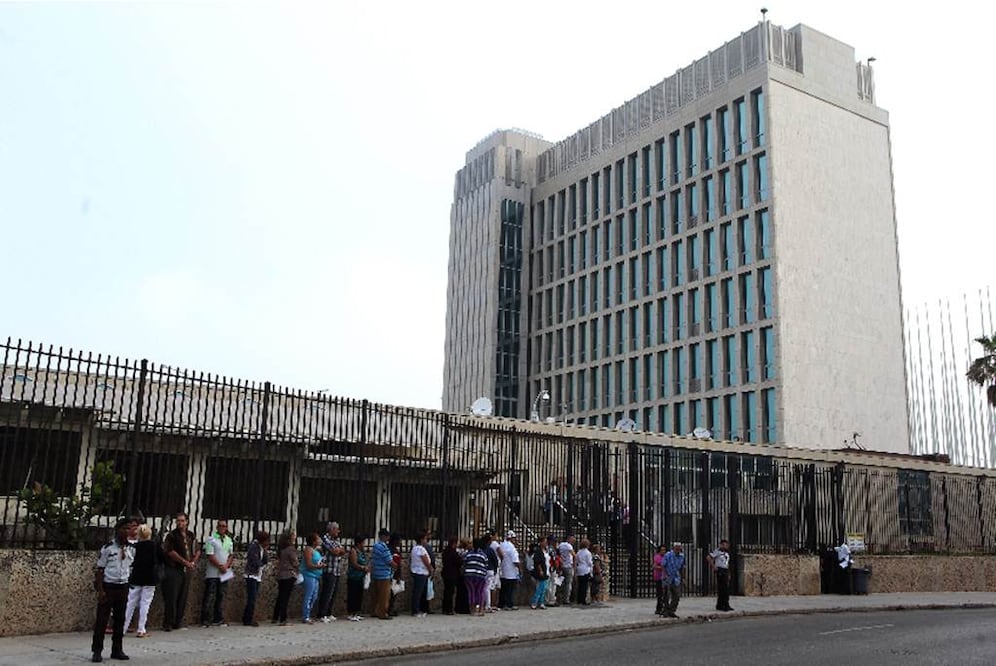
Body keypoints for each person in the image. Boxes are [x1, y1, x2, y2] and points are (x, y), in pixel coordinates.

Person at [91, 518, 134, 662]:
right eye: (125, 529)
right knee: (102, 620)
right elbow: (100, 570)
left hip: (123, 586)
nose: (127, 532)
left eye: (130, 529)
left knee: (120, 619)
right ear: (118, 530)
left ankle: (117, 649)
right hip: (109, 587)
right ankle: (97, 650)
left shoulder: (130, 548)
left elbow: (130, 566)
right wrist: (101, 590)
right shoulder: (108, 548)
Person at [161, 512, 199, 632]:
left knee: (183, 595)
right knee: (171, 596)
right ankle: (168, 622)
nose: (180, 523)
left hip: (186, 570)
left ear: (187, 522)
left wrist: (192, 562)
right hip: (174, 568)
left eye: (182, 521)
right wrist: (184, 562)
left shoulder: (190, 535)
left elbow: (197, 549)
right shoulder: (172, 535)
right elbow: (170, 551)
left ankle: (178, 620)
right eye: (178, 521)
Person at [123, 524, 159, 638]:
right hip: (150, 577)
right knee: (145, 603)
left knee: (130, 602)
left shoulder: (135, 546)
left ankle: (122, 627)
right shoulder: (154, 546)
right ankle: (141, 629)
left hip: (136, 576)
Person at [201, 519, 234, 627]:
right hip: (213, 573)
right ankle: (205, 619)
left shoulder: (229, 540)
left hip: (224, 573)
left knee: (221, 595)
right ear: (217, 527)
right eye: (220, 526)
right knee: (209, 595)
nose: (222, 528)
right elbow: (210, 555)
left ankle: (218, 618)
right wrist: (220, 566)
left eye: (224, 526)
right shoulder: (211, 539)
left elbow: (231, 555)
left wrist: (226, 566)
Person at [318, 521, 345, 623]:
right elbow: (334, 551)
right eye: (337, 529)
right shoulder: (325, 538)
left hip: (336, 569)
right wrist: (338, 550)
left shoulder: (336, 540)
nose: (338, 531)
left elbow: (342, 551)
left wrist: (338, 550)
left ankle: (329, 612)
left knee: (333, 593)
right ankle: (322, 613)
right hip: (329, 569)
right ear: (332, 529)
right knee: (327, 592)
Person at [242, 530, 270, 626]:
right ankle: (247, 619)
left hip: (258, 575)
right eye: (266, 541)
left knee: (253, 597)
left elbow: (265, 560)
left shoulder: (262, 549)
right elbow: (255, 561)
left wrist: (266, 550)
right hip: (251, 575)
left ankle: (247, 617)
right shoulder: (254, 547)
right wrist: (261, 565)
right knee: (252, 598)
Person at [272, 530, 298, 626]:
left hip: (281, 574)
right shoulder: (291, 549)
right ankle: (283, 618)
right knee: (285, 598)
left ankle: (275, 616)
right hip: (289, 574)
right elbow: (295, 562)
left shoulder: (281, 548)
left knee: (280, 596)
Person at [371, 528, 397, 620]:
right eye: (387, 536)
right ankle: (383, 613)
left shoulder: (375, 546)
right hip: (384, 574)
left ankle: (375, 611)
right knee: (384, 596)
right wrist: (395, 566)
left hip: (376, 572)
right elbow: (389, 560)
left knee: (376, 594)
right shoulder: (383, 547)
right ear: (384, 536)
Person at [462, 536, 490, 617]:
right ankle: (481, 610)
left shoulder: (468, 554)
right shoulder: (483, 555)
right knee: (480, 592)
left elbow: (464, 564)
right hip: (480, 575)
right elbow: (486, 565)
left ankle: (472, 610)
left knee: (471, 592)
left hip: (469, 575)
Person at [409, 529, 434, 618]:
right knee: (418, 592)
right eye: (425, 539)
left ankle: (416, 609)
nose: (426, 540)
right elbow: (426, 561)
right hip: (421, 572)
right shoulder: (421, 549)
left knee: (417, 591)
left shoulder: (414, 548)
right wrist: (430, 569)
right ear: (421, 539)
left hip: (416, 571)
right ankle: (416, 610)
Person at [301, 532, 324, 624]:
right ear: (313, 541)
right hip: (309, 575)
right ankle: (305, 616)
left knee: (314, 596)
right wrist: (318, 567)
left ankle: (308, 614)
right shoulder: (308, 550)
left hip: (316, 576)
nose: (319, 540)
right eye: (318, 539)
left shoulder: (316, 550)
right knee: (309, 596)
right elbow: (309, 564)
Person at [345, 534, 370, 621]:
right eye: (363, 542)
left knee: (359, 595)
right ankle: (351, 613)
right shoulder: (353, 551)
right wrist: (363, 568)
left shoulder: (361, 552)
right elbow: (354, 563)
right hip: (353, 576)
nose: (364, 544)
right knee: (353, 595)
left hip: (360, 577)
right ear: (359, 543)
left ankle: (356, 612)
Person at [707, 539, 734, 612]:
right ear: (721, 545)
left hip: (725, 570)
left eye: (727, 545)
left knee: (726, 589)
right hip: (720, 570)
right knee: (723, 589)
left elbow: (727, 564)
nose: (726, 546)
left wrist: (729, 573)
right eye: (725, 544)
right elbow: (709, 557)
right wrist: (713, 566)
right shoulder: (717, 551)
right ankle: (723, 605)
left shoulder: (727, 553)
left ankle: (723, 604)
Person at [497, 530, 521, 610]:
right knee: (510, 590)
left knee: (503, 589)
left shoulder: (501, 545)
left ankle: (501, 604)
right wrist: (520, 569)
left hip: (503, 570)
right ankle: (509, 604)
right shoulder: (512, 547)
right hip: (511, 572)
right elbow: (515, 561)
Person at [662, 543, 685, 618]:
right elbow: (663, 565)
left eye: (679, 548)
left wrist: (683, 577)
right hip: (668, 577)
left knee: (677, 596)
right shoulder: (668, 555)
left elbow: (682, 567)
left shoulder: (681, 556)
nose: (678, 550)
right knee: (666, 596)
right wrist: (665, 575)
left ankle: (671, 610)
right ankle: (665, 611)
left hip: (676, 578)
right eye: (676, 548)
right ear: (674, 548)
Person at [441, 535, 462, 615]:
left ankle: (445, 608)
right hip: (452, 574)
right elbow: (459, 561)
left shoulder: (445, 551)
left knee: (446, 591)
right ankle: (449, 609)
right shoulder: (453, 552)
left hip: (445, 573)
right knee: (450, 592)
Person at [529, 535, 550, 610]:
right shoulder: (538, 551)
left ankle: (541, 602)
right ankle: (534, 602)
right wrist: (540, 570)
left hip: (546, 570)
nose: (546, 543)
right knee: (540, 588)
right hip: (541, 571)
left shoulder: (545, 550)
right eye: (544, 542)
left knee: (544, 588)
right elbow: (537, 562)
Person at [387, 532, 403, 617]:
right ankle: (388, 609)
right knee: (390, 593)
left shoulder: (395, 550)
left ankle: (390, 609)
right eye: (399, 540)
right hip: (391, 574)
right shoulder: (390, 550)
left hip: (395, 574)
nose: (400, 542)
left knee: (394, 593)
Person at [557, 534, 576, 605]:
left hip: (561, 566)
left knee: (559, 582)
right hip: (568, 566)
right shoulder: (569, 546)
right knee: (568, 583)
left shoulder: (560, 545)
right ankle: (566, 599)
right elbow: (574, 555)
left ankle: (558, 597)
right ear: (569, 539)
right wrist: (574, 565)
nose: (574, 541)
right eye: (573, 539)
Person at [575, 538, 593, 605]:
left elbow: (576, 561)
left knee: (580, 586)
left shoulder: (578, 552)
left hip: (579, 569)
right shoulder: (588, 553)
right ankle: (583, 600)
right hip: (585, 569)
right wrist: (591, 565)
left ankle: (579, 599)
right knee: (584, 586)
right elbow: (589, 562)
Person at [652, 543, 667, 616]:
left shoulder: (666, 557)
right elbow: (654, 566)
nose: (663, 551)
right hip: (658, 576)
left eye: (664, 550)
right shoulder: (657, 557)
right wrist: (662, 568)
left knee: (665, 593)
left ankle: (664, 608)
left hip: (665, 577)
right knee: (660, 594)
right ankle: (659, 608)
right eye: (662, 550)